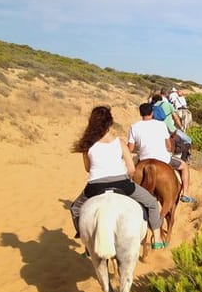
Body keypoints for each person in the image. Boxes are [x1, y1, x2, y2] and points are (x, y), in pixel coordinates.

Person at [70, 105, 167, 249]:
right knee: (152, 202)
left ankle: (84, 236)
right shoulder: (120, 143)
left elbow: (88, 169)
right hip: (121, 183)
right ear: (110, 123)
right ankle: (157, 238)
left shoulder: (87, 146)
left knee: (75, 208)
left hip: (95, 186)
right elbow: (131, 169)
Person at [128, 103, 197, 203]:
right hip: (163, 158)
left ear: (140, 113)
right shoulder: (161, 125)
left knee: (130, 171)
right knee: (184, 166)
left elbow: (130, 148)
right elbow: (169, 146)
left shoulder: (134, 127)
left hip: (143, 159)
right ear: (152, 113)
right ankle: (185, 194)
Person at [151, 92, 193, 162]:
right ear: (162, 99)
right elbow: (176, 118)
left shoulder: (152, 107)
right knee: (188, 140)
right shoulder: (168, 105)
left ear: (153, 100)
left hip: (156, 130)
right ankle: (183, 160)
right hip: (170, 129)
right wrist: (181, 127)